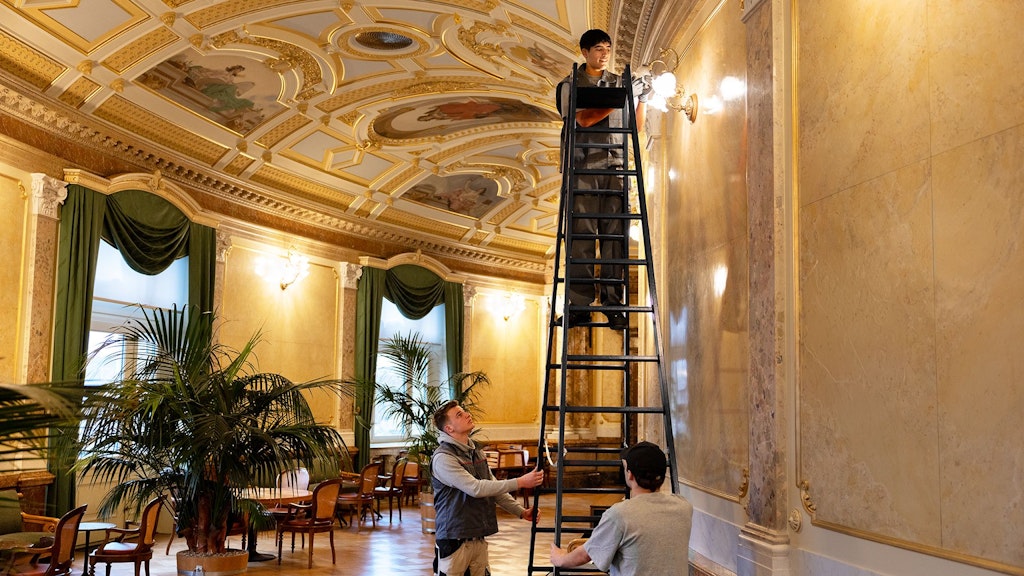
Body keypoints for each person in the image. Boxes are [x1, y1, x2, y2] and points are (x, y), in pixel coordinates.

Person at [556, 29, 651, 330]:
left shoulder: (619, 83)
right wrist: (622, 97)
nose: (605, 53)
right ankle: (580, 306)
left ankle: (614, 305)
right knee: (582, 235)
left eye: (607, 48)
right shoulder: (569, 84)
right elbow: (582, 119)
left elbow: (635, 128)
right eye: (598, 48)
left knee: (614, 238)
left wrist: (641, 100)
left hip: (616, 167)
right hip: (583, 167)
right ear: (584, 52)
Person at [431, 400, 545, 576]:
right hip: (453, 539)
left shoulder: (476, 451)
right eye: (459, 415)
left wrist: (521, 512)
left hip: (477, 535)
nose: (467, 414)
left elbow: (494, 488)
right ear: (449, 429)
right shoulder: (443, 458)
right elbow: (476, 488)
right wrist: (520, 482)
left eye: (464, 411)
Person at [549, 441, 692, 576]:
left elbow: (586, 554)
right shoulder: (684, 507)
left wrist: (560, 558)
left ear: (630, 474)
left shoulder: (620, 514)